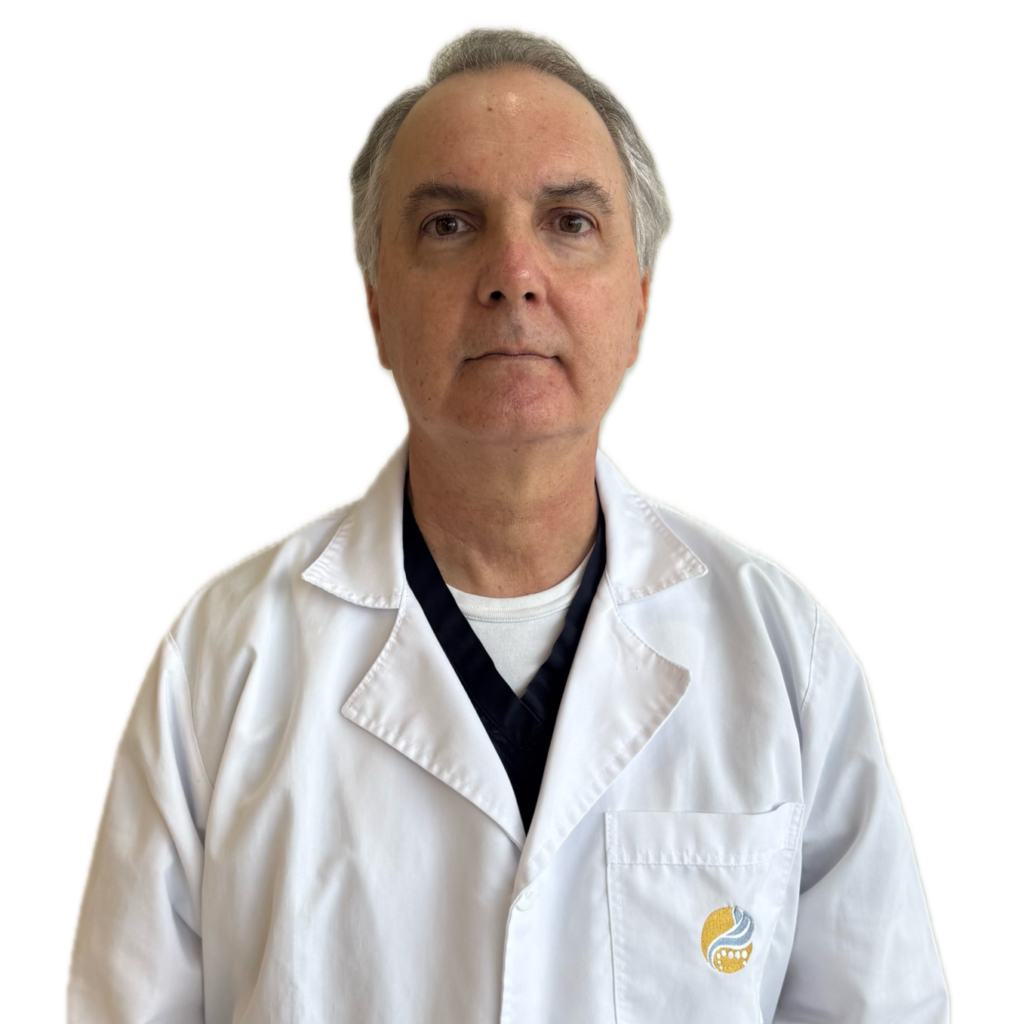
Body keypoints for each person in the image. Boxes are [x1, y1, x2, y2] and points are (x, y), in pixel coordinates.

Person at [64, 22, 951, 1023]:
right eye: (449, 224)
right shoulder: (220, 658)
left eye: (570, 222)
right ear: (374, 309)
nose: (513, 273)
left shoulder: (785, 652)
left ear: (641, 301)